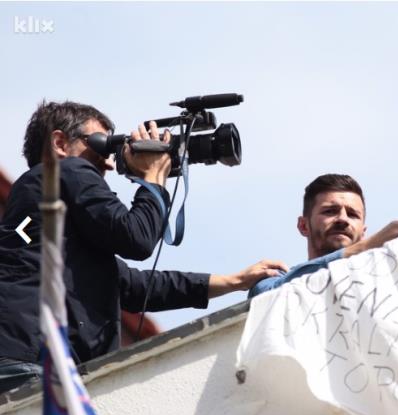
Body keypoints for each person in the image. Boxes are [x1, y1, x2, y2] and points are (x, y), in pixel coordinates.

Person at [0, 101, 286, 393]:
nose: (108, 162)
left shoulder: (48, 213)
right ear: (60, 143)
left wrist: (232, 281)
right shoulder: (66, 170)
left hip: (23, 355)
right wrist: (153, 178)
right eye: (100, 145)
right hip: (33, 358)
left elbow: (133, 286)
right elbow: (135, 238)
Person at [249, 174, 398, 298]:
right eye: (330, 211)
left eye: (352, 214)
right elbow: (265, 296)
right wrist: (363, 248)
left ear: (363, 233)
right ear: (303, 226)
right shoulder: (275, 276)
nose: (343, 219)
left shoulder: (382, 282)